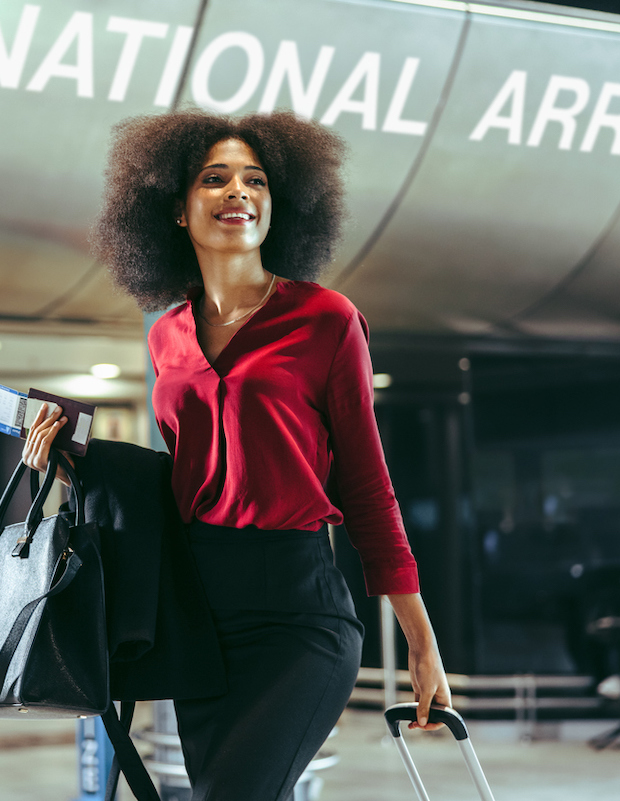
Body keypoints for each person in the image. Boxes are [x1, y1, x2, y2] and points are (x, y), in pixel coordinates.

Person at [22, 110, 452, 801]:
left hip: (299, 617)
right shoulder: (167, 336)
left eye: (254, 180)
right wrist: (82, 459)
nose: (238, 192)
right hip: (199, 620)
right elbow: (184, 482)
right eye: (214, 179)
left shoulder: (326, 320)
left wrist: (421, 642)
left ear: (279, 204)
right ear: (176, 209)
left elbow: (369, 489)